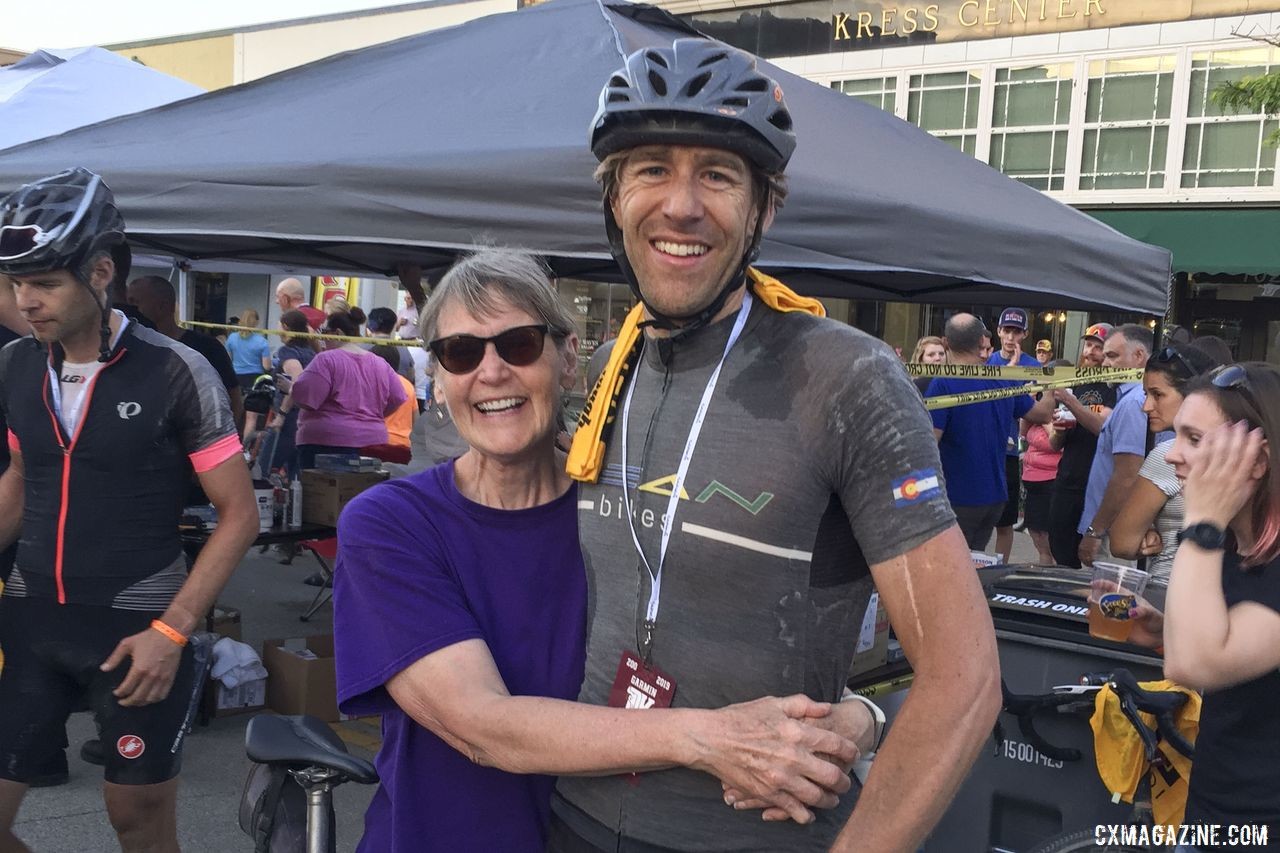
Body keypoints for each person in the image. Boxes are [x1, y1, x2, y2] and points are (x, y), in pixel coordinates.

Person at [559, 40, 1002, 852]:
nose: (682, 205)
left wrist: (865, 741)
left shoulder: (845, 377)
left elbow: (964, 681)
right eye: (651, 169)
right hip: (570, 816)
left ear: (765, 208)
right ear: (613, 201)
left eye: (719, 175)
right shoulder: (604, 371)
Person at [334, 250, 863, 853]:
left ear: (568, 360)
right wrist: (709, 739)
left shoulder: (626, 510)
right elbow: (482, 726)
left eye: (520, 344)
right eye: (461, 352)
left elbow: (725, 646)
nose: (491, 371)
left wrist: (859, 718)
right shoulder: (391, 524)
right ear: (439, 376)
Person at [0, 167, 258, 852]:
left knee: (136, 822)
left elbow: (239, 514)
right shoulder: (18, 366)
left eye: (46, 282)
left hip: (139, 625)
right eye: (17, 282)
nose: (27, 300)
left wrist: (173, 633)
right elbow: (23, 480)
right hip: (31, 621)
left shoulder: (174, 369)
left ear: (102, 271)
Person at [1129, 362, 1280, 846]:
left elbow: (1195, 664)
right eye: (1176, 436)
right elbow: (1210, 645)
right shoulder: (1241, 544)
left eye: (1194, 439)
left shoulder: (1224, 536)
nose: (1172, 455)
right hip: (1217, 808)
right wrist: (1163, 629)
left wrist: (1203, 520)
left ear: (1257, 461)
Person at [929, 313, 1051, 551]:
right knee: (975, 563)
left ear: (945, 343)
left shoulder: (942, 383)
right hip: (994, 496)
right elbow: (1043, 414)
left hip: (957, 496)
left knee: (952, 568)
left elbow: (928, 443)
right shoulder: (1001, 380)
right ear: (980, 343)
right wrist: (1051, 385)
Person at [1107, 343, 1222, 584]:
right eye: (1145, 394)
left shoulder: (1167, 455)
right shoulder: (1241, 453)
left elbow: (1122, 543)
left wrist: (1149, 530)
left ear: (1194, 394)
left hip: (1168, 590)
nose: (1146, 406)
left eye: (1157, 394)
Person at [1076, 324, 1155, 567]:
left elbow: (1127, 475)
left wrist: (1095, 531)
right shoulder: (1132, 398)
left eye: (1112, 356)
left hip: (1114, 533)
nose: (1105, 363)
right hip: (1119, 528)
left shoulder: (1134, 402)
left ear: (1139, 356)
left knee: (1110, 602)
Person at [126, 275, 245, 434]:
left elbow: (234, 400)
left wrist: (227, 446)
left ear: (162, 306)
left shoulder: (207, 347)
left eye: (135, 302)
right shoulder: (129, 347)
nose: (128, 310)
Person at [290, 310, 407, 470]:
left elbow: (306, 400)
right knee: (365, 492)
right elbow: (398, 397)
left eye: (324, 332)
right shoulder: (380, 363)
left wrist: (290, 389)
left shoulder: (326, 360)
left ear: (337, 333)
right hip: (374, 441)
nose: (322, 338)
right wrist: (373, 414)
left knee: (323, 493)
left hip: (326, 442)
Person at [1047, 322, 1117, 567]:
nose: (1091, 352)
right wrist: (1058, 431)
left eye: (1099, 347)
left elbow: (1101, 426)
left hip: (1096, 484)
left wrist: (1070, 402)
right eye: (1088, 345)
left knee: (1094, 559)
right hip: (1067, 479)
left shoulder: (1114, 386)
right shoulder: (1074, 381)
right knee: (1061, 551)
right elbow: (1055, 444)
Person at [988, 306, 1042, 563]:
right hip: (985, 446)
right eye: (1006, 331)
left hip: (1011, 448)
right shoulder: (987, 362)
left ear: (1024, 334)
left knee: (1005, 520)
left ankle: (1000, 566)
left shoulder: (1032, 365)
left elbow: (1035, 409)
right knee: (974, 513)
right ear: (998, 331)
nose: (1010, 338)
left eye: (1016, 332)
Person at [255, 309, 316, 479]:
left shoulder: (288, 352)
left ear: (286, 327)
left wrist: (281, 414)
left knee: (264, 469)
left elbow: (298, 382)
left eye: (279, 326)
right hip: (307, 418)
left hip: (289, 418)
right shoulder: (311, 352)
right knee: (296, 472)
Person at [1022, 359, 1071, 565]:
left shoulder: (1065, 404)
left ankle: (1053, 581)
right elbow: (1023, 433)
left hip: (1052, 479)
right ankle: (1041, 577)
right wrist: (1029, 403)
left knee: (1051, 541)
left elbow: (1054, 444)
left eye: (1047, 376)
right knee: (1037, 537)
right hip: (1032, 479)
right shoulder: (1041, 404)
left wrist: (1045, 413)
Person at [224, 307, 271, 393]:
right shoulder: (262, 341)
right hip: (255, 378)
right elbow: (266, 366)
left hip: (236, 376)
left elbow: (228, 359)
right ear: (256, 322)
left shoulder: (231, 338)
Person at [365, 306, 415, 382]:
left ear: (371, 325)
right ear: (393, 325)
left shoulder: (359, 348)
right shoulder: (404, 350)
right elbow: (411, 378)